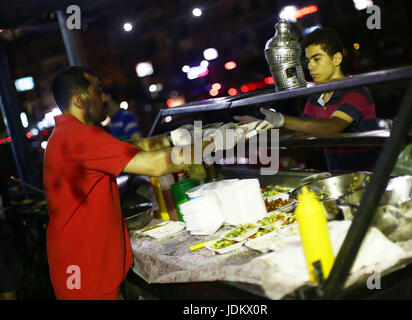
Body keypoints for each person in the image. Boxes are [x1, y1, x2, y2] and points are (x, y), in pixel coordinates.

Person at [43, 66, 239, 300]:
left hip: (79, 263)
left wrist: (172, 137)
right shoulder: (80, 137)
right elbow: (158, 165)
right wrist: (215, 142)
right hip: (85, 273)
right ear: (79, 99)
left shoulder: (68, 134)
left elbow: (131, 149)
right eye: (98, 90)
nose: (104, 97)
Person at [235, 28, 380, 172]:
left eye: (317, 59)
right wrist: (258, 129)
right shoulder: (317, 95)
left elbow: (334, 126)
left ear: (337, 59)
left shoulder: (355, 91)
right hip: (339, 178)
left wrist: (282, 120)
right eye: (308, 60)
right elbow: (300, 130)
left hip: (368, 178)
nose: (310, 66)